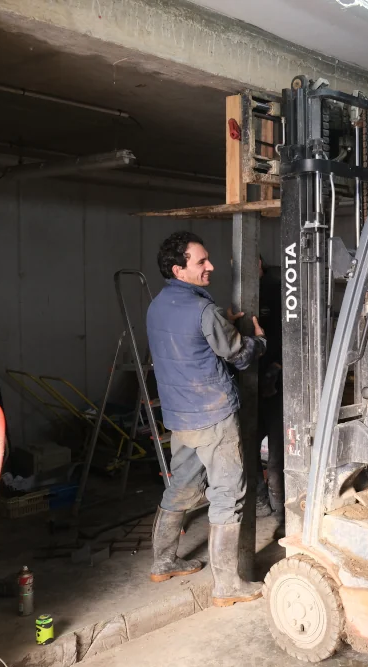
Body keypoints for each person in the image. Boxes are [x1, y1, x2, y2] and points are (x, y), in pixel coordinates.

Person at [145, 231, 267, 607]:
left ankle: (163, 562)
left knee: (180, 487)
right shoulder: (203, 311)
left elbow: (189, 342)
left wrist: (220, 324)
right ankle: (227, 586)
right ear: (178, 269)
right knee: (229, 494)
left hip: (180, 417)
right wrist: (259, 341)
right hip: (213, 416)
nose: (210, 266)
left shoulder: (158, 305)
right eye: (201, 262)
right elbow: (239, 356)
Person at [255, 257, 285, 521]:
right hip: (251, 381)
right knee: (247, 447)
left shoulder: (276, 291)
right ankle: (261, 501)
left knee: (277, 454)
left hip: (275, 380)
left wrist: (276, 367)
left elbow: (289, 334)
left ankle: (281, 510)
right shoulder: (242, 296)